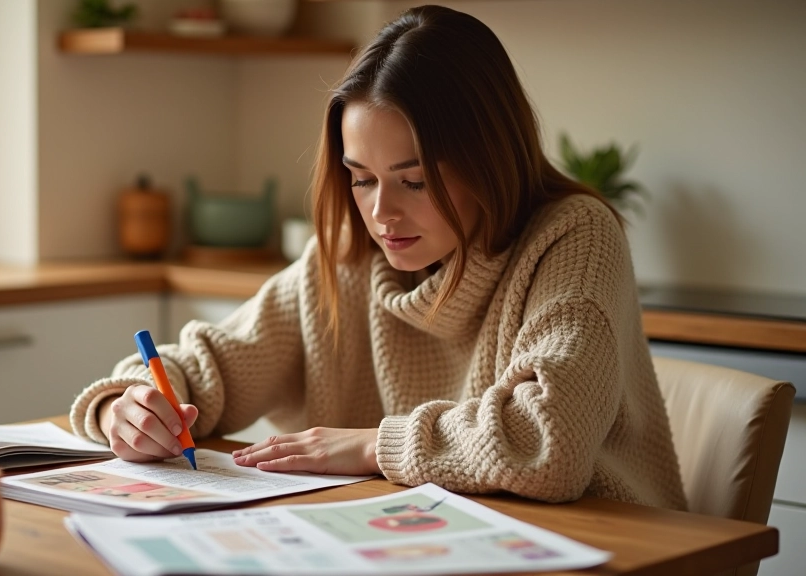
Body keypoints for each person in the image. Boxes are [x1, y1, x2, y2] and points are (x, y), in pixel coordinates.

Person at [70, 5, 687, 510]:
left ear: (489, 158)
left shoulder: (574, 238)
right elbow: (208, 368)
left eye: (414, 181)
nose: (381, 213)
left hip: (603, 550)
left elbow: (547, 441)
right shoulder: (347, 258)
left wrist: (373, 447)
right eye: (361, 178)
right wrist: (127, 405)